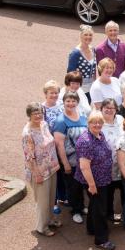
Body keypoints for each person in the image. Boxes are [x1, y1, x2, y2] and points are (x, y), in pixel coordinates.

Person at [75, 111, 115, 250]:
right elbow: (84, 167)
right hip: (94, 181)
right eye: (94, 122)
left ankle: (91, 228)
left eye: (99, 122)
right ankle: (101, 240)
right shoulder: (85, 141)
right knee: (100, 209)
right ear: (88, 123)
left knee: (94, 204)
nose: (97, 125)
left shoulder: (100, 134)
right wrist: (92, 185)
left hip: (102, 178)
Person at [22, 102, 60, 237]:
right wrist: (37, 174)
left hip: (51, 168)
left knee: (50, 198)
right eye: (34, 113)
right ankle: (41, 227)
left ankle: (49, 220)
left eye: (39, 112)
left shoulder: (43, 124)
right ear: (29, 116)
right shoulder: (28, 134)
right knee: (42, 201)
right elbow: (29, 157)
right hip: (39, 172)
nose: (38, 115)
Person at [54, 92, 87, 225]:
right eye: (68, 101)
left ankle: (81, 206)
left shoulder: (83, 116)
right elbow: (59, 144)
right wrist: (65, 163)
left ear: (77, 102)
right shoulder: (61, 121)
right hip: (70, 161)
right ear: (64, 102)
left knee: (81, 185)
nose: (71, 103)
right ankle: (76, 211)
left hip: (83, 160)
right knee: (73, 187)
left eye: (73, 101)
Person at [42, 81, 65, 213]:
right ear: (46, 94)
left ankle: (63, 196)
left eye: (56, 92)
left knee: (62, 172)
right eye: (51, 93)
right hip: (50, 147)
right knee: (53, 174)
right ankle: (54, 202)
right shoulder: (41, 108)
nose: (54, 95)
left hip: (62, 145)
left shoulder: (61, 105)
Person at [100, 99, 125, 223]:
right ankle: (109, 214)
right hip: (106, 166)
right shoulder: (98, 123)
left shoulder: (120, 119)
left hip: (123, 164)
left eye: (112, 108)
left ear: (116, 110)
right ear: (102, 109)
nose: (109, 110)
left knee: (124, 191)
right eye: (106, 107)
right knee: (108, 193)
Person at [67, 24, 97, 97]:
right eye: (85, 35)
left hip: (91, 87)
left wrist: (95, 83)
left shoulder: (93, 49)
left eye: (90, 35)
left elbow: (94, 69)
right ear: (81, 36)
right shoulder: (75, 53)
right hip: (79, 88)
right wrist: (71, 90)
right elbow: (70, 74)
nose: (88, 37)